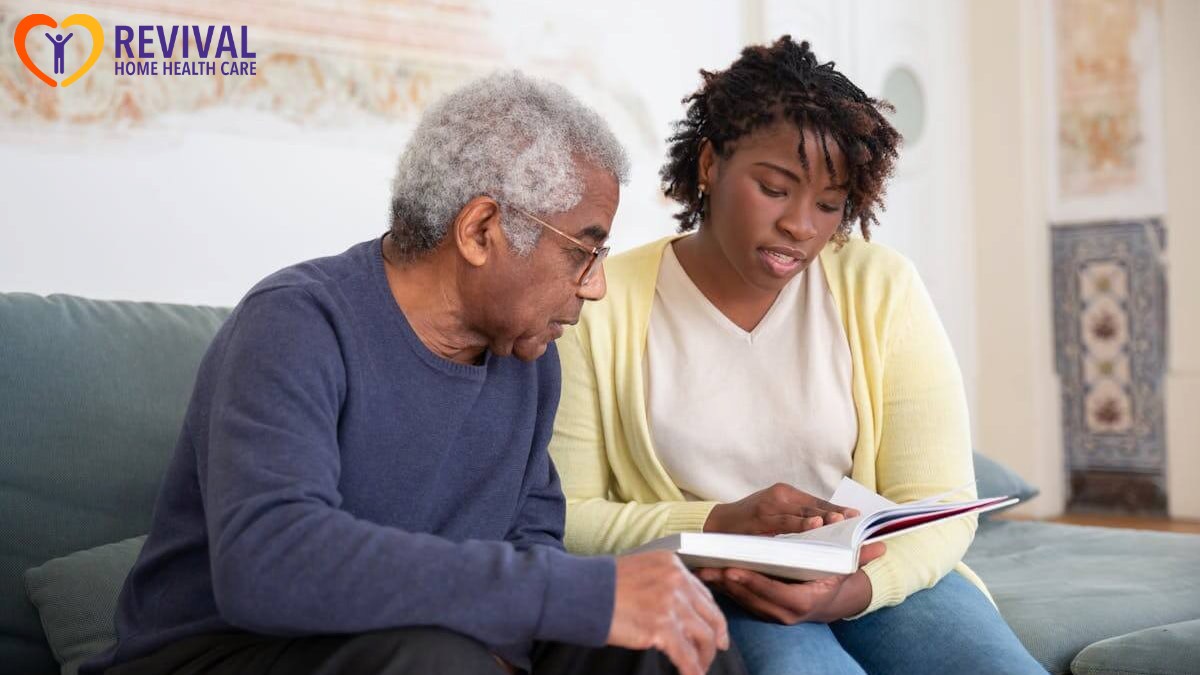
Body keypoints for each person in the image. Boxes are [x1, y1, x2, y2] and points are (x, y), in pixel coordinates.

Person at [81, 71, 744, 675]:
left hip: (430, 644)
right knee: (438, 661)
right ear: (481, 229)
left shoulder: (529, 362)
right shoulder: (296, 323)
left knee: (675, 643)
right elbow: (267, 561)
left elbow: (531, 545)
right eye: (584, 251)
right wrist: (567, 593)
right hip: (217, 649)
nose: (595, 286)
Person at [549, 37, 1046, 674]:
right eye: (775, 188)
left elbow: (941, 502)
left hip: (879, 582)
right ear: (709, 163)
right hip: (718, 586)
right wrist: (720, 521)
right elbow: (569, 517)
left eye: (830, 204)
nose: (802, 226)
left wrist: (856, 589)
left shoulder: (881, 288)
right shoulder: (603, 302)